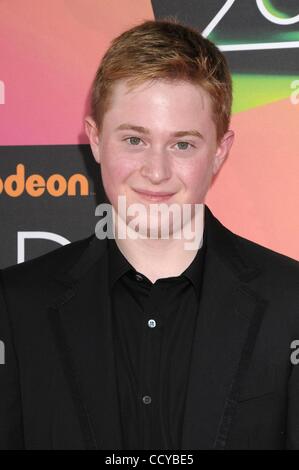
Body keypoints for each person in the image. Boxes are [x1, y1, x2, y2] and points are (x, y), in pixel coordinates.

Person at [0, 18, 298, 450]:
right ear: (96, 139)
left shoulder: (290, 303)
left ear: (220, 152)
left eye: (182, 144)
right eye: (135, 140)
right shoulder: (14, 306)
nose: (156, 172)